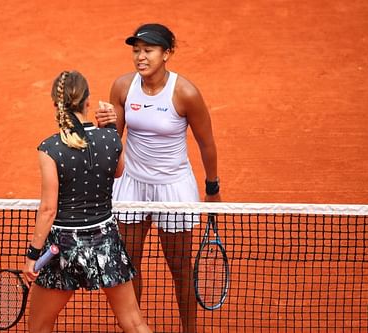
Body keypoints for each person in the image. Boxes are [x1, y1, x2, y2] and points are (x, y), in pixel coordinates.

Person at [96, 23, 221, 333]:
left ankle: (189, 329)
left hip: (173, 188)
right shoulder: (123, 87)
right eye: (136, 50)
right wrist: (105, 127)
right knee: (129, 266)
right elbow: (113, 144)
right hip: (132, 186)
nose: (140, 56)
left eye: (148, 50)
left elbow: (207, 144)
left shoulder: (185, 93)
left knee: (180, 269)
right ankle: (133, 328)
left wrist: (212, 187)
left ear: (167, 54)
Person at [22, 70, 152, 333]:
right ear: (88, 101)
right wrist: (108, 129)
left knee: (38, 326)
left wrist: (32, 256)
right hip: (106, 242)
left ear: (55, 105)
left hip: (63, 249)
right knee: (134, 323)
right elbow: (118, 172)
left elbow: (48, 210)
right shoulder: (110, 138)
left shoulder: (50, 148)